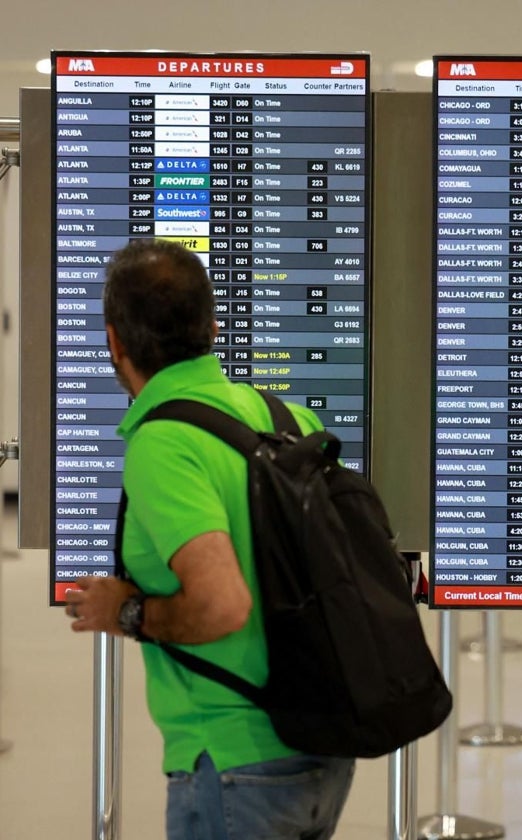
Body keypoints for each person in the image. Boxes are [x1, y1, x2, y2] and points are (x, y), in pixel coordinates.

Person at [64, 239, 355, 839]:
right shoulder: (287, 420)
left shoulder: (162, 443)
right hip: (322, 753)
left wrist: (127, 610)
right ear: (213, 328)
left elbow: (222, 603)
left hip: (236, 765)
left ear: (115, 342)